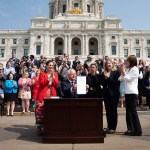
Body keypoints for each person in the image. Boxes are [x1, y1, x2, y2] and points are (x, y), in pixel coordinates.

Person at [120, 55, 142, 136]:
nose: (126, 62)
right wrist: (123, 72)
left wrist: (123, 72)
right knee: (128, 112)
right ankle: (130, 129)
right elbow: (121, 78)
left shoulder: (135, 69)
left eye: (127, 61)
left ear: (131, 62)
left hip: (132, 92)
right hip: (127, 92)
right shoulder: (128, 69)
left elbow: (129, 79)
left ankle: (138, 130)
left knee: (133, 111)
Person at [35, 60, 59, 135]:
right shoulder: (42, 74)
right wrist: (49, 78)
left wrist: (53, 77)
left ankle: (50, 127)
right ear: (47, 66)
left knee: (51, 112)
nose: (51, 66)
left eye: (52, 65)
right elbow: (42, 83)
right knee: (40, 112)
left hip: (52, 94)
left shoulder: (55, 74)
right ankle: (39, 127)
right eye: (50, 65)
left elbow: (56, 84)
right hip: (43, 94)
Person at [101, 59, 120, 134]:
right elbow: (102, 83)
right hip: (106, 94)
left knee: (113, 111)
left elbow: (116, 83)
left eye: (109, 63)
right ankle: (109, 126)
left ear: (112, 64)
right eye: (107, 63)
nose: (108, 64)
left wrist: (108, 78)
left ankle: (113, 127)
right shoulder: (104, 73)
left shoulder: (116, 73)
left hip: (114, 94)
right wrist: (105, 78)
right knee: (108, 111)